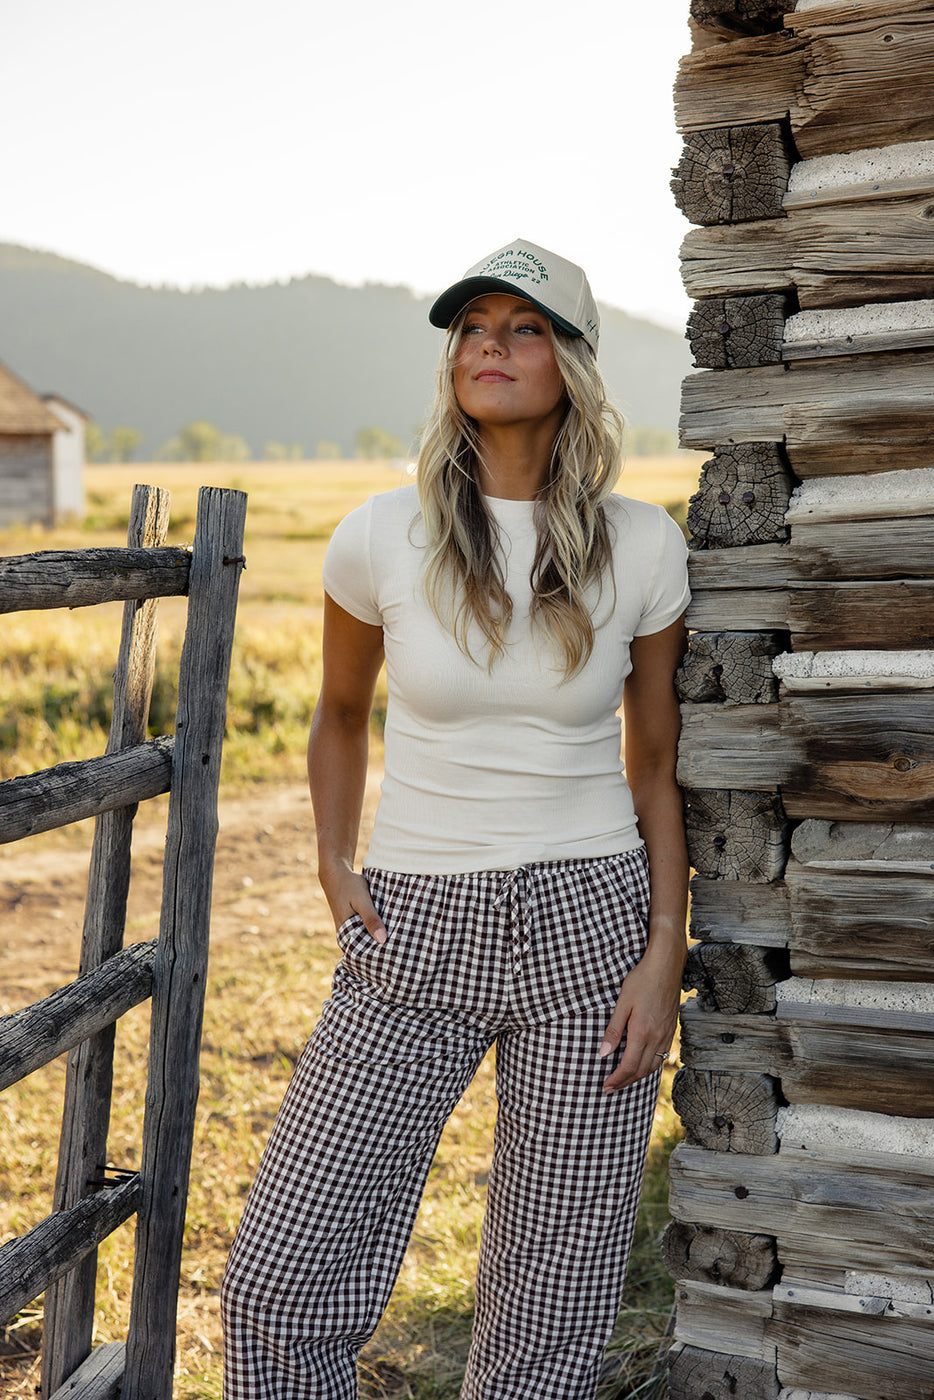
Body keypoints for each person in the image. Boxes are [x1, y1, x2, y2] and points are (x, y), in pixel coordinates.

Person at [221, 238, 690, 1400]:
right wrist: (336, 867)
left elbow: (656, 764)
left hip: (591, 926)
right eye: (473, 324)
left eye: (524, 325)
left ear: (573, 363)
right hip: (414, 924)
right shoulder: (380, 533)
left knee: (550, 1322)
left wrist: (664, 943)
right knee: (277, 1277)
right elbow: (335, 713)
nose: (491, 342)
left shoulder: (641, 544)